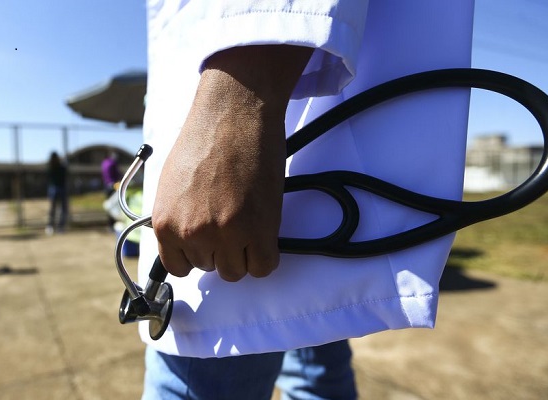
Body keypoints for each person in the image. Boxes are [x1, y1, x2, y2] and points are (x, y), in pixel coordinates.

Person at [138, 1, 475, 399]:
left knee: (209, 361)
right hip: (283, 130)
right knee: (312, 341)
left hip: (244, 119)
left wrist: (235, 101)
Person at [45, 151, 69, 235]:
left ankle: (60, 226)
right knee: (53, 209)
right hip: (54, 188)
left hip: (61, 188)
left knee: (62, 209)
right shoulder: (51, 167)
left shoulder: (61, 167)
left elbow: (65, 173)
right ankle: (51, 226)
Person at [101, 150, 122, 230]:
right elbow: (117, 173)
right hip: (114, 186)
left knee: (109, 204)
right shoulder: (113, 163)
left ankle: (110, 224)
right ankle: (114, 223)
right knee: (114, 205)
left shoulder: (104, 163)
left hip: (106, 186)